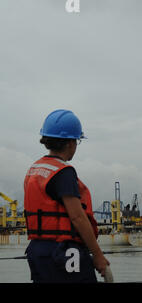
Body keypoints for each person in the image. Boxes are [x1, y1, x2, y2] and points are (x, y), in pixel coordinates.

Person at [24, 109, 110, 283]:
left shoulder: (35, 169)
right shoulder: (64, 173)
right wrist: (98, 255)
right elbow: (78, 217)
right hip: (64, 251)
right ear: (71, 143)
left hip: (38, 250)